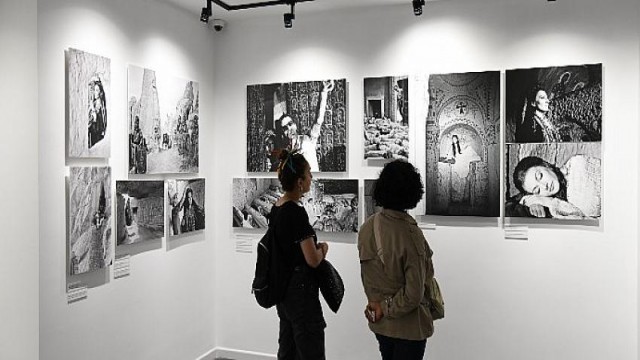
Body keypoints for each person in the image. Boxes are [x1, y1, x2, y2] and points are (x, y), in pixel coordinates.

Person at [358, 160, 435, 360]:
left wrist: (379, 307)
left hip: (381, 324)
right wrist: (385, 307)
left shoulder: (368, 226)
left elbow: (368, 278)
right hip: (408, 328)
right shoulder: (410, 234)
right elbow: (414, 293)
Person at [270, 149, 329, 360]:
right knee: (310, 350)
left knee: (288, 349)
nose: (312, 177)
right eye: (309, 173)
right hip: (301, 294)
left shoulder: (277, 207)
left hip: (284, 291)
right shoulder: (296, 212)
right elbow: (312, 260)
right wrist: (323, 249)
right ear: (300, 182)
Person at [508, 155, 601, 219]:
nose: (545, 186)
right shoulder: (557, 205)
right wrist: (537, 202)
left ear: (546, 165)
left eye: (540, 176)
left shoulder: (577, 164)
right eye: (537, 190)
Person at [277, 80, 335, 172]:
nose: (289, 128)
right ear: (283, 133)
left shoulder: (308, 138)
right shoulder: (285, 152)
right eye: (284, 128)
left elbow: (318, 120)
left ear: (295, 125)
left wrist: (324, 92)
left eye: (290, 124)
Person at [88, 76, 107, 148]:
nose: (95, 92)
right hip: (94, 131)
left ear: (100, 92)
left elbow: (95, 118)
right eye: (94, 90)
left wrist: (92, 108)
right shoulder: (96, 102)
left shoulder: (99, 103)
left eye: (97, 90)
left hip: (97, 132)